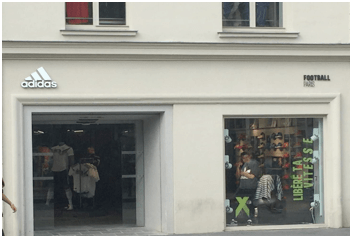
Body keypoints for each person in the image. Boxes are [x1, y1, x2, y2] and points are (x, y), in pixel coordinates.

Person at [233, 152, 261, 224]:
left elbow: (252, 176)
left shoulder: (254, 163)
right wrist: (238, 167)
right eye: (242, 158)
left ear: (249, 156)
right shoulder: (244, 164)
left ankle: (248, 217)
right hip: (242, 186)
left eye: (245, 157)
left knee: (248, 202)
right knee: (239, 199)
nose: (243, 159)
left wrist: (243, 173)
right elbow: (238, 176)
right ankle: (247, 216)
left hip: (250, 186)